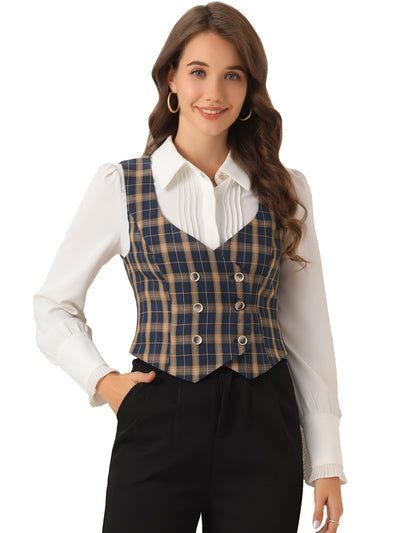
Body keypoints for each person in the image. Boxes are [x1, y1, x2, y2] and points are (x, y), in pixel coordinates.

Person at [32, 2, 347, 532]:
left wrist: (326, 461)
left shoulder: (286, 191)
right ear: (171, 80)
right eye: (199, 72)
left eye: (232, 76)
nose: (214, 93)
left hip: (263, 424)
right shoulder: (122, 186)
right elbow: (52, 306)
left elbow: (308, 331)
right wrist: (104, 382)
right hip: (158, 417)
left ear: (249, 90)